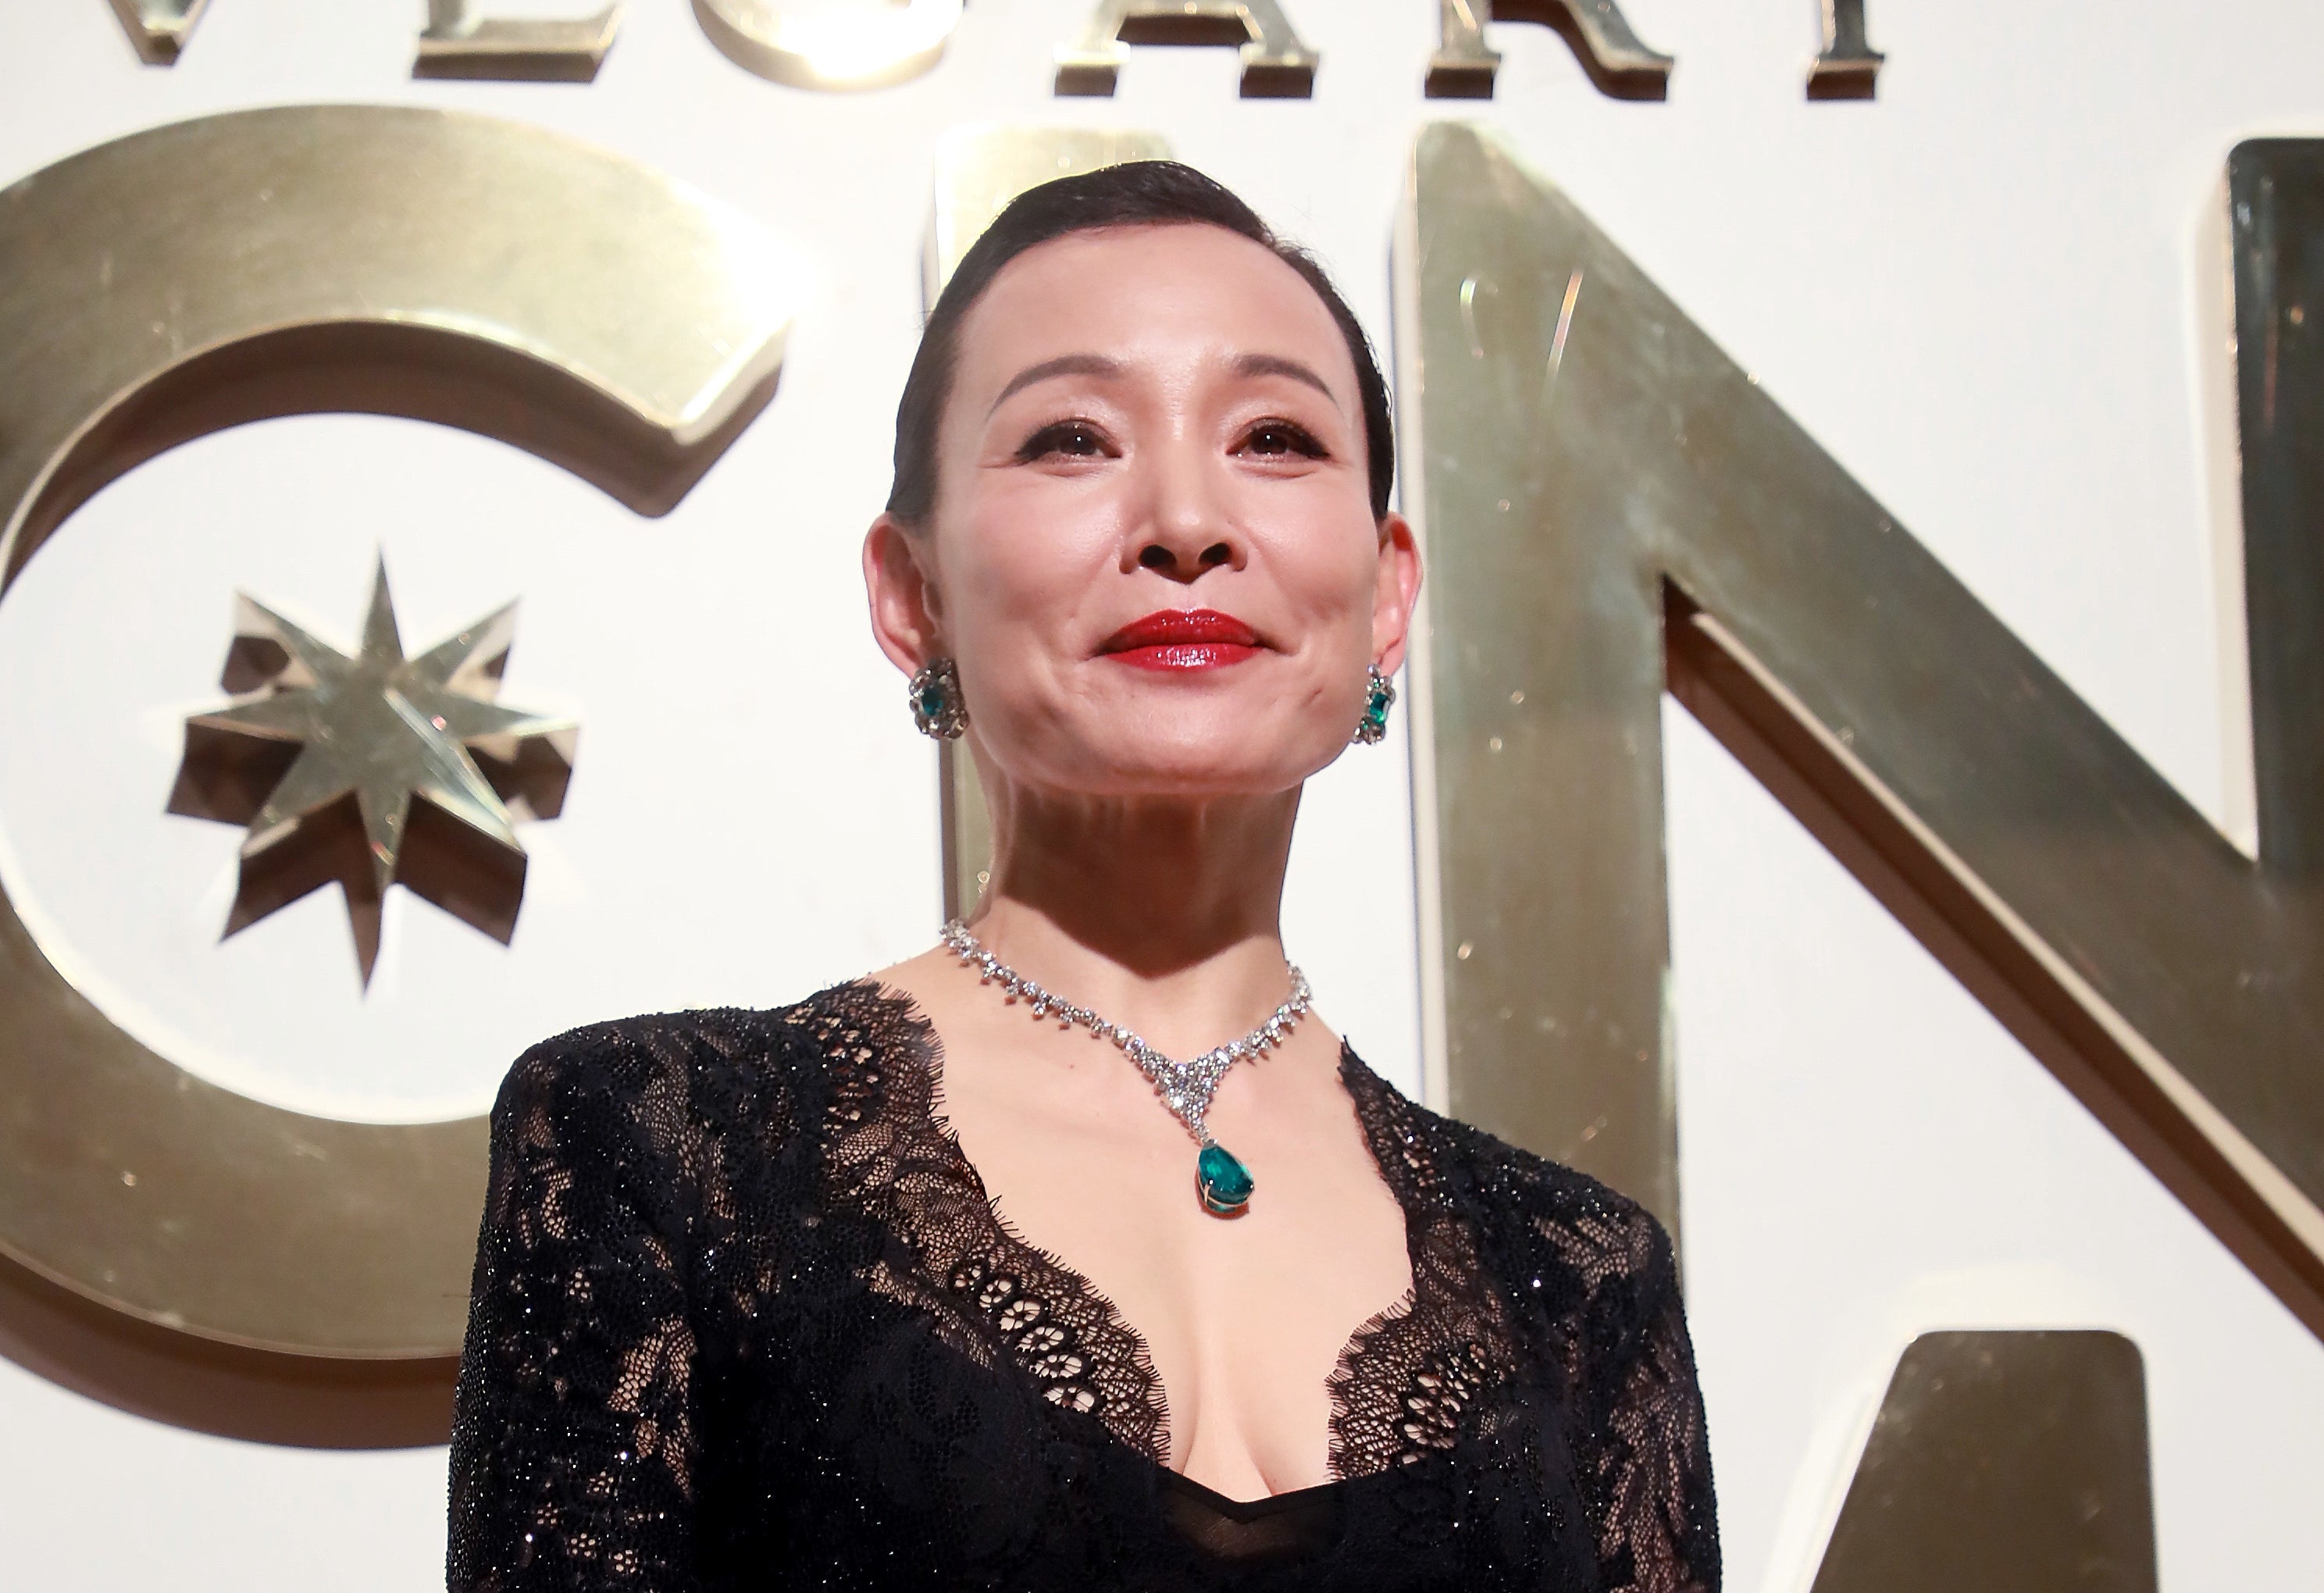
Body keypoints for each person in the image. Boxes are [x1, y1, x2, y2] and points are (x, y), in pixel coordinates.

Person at [447, 161, 1718, 1592]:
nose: (1186, 520)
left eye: (1278, 438)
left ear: (1387, 593)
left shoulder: (1586, 1278)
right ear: (911, 594)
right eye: (1070, 437)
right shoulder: (665, 1153)